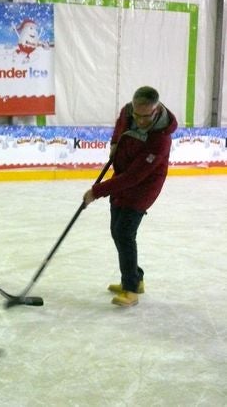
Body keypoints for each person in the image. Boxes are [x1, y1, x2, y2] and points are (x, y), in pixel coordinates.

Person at [83, 86, 177, 307]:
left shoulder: (160, 139)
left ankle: (131, 289)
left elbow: (135, 177)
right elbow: (122, 120)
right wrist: (115, 143)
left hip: (143, 188)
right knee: (117, 230)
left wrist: (96, 192)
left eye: (145, 117)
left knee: (124, 233)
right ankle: (136, 278)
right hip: (122, 177)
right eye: (137, 114)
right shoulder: (130, 111)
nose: (139, 120)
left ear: (156, 111)